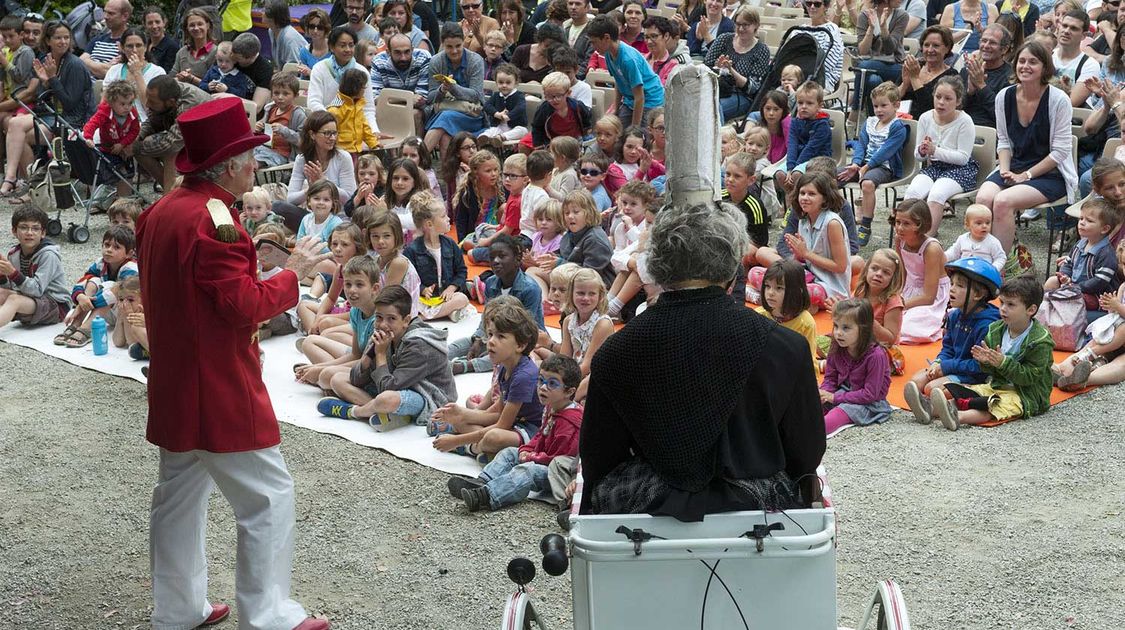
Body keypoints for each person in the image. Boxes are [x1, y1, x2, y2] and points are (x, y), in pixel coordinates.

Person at [579, 201, 825, 521]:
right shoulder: (786, 346)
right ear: (731, 271)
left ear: (658, 267)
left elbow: (599, 457)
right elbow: (806, 452)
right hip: (758, 504)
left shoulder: (615, 351)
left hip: (646, 507)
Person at [447, 353, 584, 511]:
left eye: (552, 383)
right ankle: (482, 482)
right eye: (541, 381)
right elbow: (540, 434)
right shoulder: (552, 406)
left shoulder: (570, 422)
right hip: (544, 458)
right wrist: (527, 449)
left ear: (569, 392)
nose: (543, 387)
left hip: (559, 474)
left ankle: (487, 496)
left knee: (528, 471)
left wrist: (532, 457)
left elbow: (559, 460)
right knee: (510, 453)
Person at [975, 41, 1078, 249]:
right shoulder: (1004, 96)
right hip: (1014, 166)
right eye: (1021, 61)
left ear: (1045, 68)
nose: (1025, 66)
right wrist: (1004, 171)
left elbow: (1060, 152)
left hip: (1050, 173)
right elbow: (1003, 141)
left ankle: (999, 267)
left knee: (1003, 202)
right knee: (983, 199)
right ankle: (982, 258)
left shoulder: (1059, 100)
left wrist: (1026, 176)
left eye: (1033, 62)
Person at [318, 283, 459, 426]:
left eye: (391, 319)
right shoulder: (382, 333)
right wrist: (368, 356)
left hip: (428, 396)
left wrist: (379, 355)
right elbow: (356, 379)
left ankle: (354, 412)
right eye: (379, 317)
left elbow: (388, 388)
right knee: (336, 379)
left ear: (406, 320)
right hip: (393, 384)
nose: (383, 324)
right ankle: (386, 414)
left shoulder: (418, 344)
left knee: (386, 399)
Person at [928, 276, 1053, 430]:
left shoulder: (1040, 340)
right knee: (972, 393)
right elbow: (990, 372)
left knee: (992, 405)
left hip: (1026, 394)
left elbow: (1030, 377)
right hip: (997, 385)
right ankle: (930, 410)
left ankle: (957, 417)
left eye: (1011, 304)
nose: (1003, 308)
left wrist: (1003, 363)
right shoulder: (996, 330)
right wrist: (985, 363)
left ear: (1031, 310)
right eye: (1001, 302)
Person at [433, 302, 545, 460]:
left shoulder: (524, 376)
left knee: (494, 437)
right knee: (462, 422)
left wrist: (456, 441)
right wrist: (462, 414)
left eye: (500, 336)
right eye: (491, 334)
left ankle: (470, 449)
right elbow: (496, 413)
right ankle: (488, 453)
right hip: (512, 425)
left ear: (520, 345)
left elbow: (502, 425)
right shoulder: (505, 367)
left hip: (530, 431)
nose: (491, 341)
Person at [1, 21, 95, 199]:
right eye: (58, 37)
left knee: (18, 130)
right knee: (14, 125)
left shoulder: (74, 64)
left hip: (74, 119)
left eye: (66, 37)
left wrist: (51, 78)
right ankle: (29, 183)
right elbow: (43, 99)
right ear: (48, 40)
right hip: (53, 114)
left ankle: (31, 186)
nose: (63, 41)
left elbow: (70, 104)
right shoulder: (49, 59)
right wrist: (45, 82)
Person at [902, 256, 1001, 421]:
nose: (952, 289)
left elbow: (980, 366)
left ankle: (931, 406)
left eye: (960, 285)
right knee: (916, 381)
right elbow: (947, 347)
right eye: (952, 284)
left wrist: (946, 367)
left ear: (979, 294)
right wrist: (938, 363)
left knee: (932, 388)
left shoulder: (987, 326)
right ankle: (929, 405)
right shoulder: (954, 315)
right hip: (952, 367)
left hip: (973, 376)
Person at [904, 75, 979, 232]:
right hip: (936, 168)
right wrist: (922, 150)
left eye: (948, 98)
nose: (941, 102)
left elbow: (963, 158)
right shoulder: (925, 118)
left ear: (958, 101)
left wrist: (935, 150)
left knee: (937, 194)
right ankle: (908, 234)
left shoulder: (965, 121)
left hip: (960, 170)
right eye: (938, 97)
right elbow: (918, 156)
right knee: (913, 192)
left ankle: (928, 238)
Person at [838, 82, 909, 247]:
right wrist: (856, 164)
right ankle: (835, 219)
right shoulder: (869, 122)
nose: (879, 110)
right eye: (876, 106)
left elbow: (885, 151)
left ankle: (865, 225)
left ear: (896, 105)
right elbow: (861, 145)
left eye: (884, 105)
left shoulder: (899, 127)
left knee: (868, 184)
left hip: (885, 167)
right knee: (830, 177)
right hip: (863, 164)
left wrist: (866, 167)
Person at [820, 298, 894, 436]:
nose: (838, 333)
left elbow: (870, 395)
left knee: (829, 421)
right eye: (836, 326)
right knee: (807, 407)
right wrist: (824, 394)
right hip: (841, 393)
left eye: (846, 328)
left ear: (863, 329)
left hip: (867, 404)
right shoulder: (836, 345)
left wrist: (834, 397)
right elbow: (830, 378)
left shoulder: (876, 355)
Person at [130, 74, 210, 193]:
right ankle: (173, 193)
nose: (147, 104)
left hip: (209, 144)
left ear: (171, 102)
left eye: (152, 101)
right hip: (188, 140)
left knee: (171, 153)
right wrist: (136, 138)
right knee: (143, 146)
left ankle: (170, 196)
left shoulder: (188, 104)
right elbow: (152, 121)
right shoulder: (167, 94)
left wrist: (134, 147)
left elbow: (171, 144)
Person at [1045, 198, 1120, 321]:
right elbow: (1068, 263)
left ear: (1104, 229)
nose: (1082, 223)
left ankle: (1059, 311)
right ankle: (1045, 308)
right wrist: (1064, 276)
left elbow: (1099, 282)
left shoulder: (1106, 253)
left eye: (1089, 220)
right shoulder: (1080, 243)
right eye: (1081, 219)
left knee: (1077, 299)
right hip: (1074, 286)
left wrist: (1076, 287)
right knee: (1052, 281)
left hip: (1096, 295)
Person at [585, 14, 664, 127]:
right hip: (630, 100)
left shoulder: (628, 59)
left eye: (594, 42)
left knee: (636, 137)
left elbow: (640, 97)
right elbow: (619, 81)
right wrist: (615, 109)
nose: (593, 46)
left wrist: (635, 128)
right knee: (616, 131)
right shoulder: (608, 53)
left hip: (649, 101)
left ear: (607, 38)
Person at [404, 192, 473, 321]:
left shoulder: (451, 245)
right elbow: (409, 280)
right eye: (443, 216)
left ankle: (426, 317)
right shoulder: (411, 250)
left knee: (461, 298)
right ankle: (446, 312)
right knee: (407, 303)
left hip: (446, 297)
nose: (448, 219)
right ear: (429, 224)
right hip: (425, 300)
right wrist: (423, 289)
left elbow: (462, 271)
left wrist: (451, 288)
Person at [0, 207, 70, 330]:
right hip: (31, 299)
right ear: (14, 231)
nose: (29, 232)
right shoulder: (13, 254)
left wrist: (12, 273)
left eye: (35, 228)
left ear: (43, 233)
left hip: (56, 305)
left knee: (14, 299)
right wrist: (2, 276)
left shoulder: (49, 255)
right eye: (23, 227)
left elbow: (37, 290)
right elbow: (12, 287)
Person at [894, 199, 951, 344]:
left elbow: (929, 296)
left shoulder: (931, 248)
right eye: (898, 222)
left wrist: (899, 305)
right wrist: (895, 295)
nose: (900, 228)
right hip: (909, 289)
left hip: (933, 296)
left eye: (906, 223)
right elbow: (903, 273)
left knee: (909, 327)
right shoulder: (899, 240)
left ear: (920, 225)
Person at [424, 23, 486, 153]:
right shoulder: (436, 61)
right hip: (445, 111)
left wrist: (453, 88)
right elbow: (430, 97)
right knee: (445, 135)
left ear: (463, 42)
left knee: (445, 119)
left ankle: (418, 161)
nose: (454, 51)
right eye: (449, 47)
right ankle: (448, 172)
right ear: (442, 44)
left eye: (458, 46)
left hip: (471, 114)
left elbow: (476, 95)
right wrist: (441, 90)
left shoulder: (475, 60)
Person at [283, 110, 357, 218]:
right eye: (327, 133)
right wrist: (311, 189)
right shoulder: (302, 160)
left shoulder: (343, 158)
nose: (332, 138)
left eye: (334, 133)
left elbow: (349, 199)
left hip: (339, 219)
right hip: (312, 217)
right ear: (312, 134)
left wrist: (324, 181)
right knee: (278, 207)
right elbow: (290, 200)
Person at [704, 6, 770, 122]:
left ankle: (719, 138)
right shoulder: (724, 39)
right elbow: (705, 67)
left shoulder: (762, 50)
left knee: (714, 107)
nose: (740, 28)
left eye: (746, 25)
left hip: (741, 96)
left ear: (756, 25)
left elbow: (753, 88)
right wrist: (718, 68)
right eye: (738, 24)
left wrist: (731, 71)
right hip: (716, 89)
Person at [308, 26, 378, 133]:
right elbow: (314, 102)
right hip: (326, 127)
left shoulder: (362, 72)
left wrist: (374, 131)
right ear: (331, 47)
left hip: (354, 129)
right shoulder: (319, 68)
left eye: (351, 45)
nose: (348, 50)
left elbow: (368, 108)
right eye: (342, 45)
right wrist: (331, 123)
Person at [754, 259, 819, 369]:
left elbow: (809, 362)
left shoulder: (806, 323)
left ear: (797, 291)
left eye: (779, 288)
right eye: (767, 286)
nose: (770, 293)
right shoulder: (758, 316)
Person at [850, 0, 908, 124]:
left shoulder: (901, 16)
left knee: (863, 67)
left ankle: (855, 110)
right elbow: (862, 51)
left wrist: (883, 28)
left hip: (894, 66)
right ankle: (875, 123)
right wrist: (871, 29)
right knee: (873, 81)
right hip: (869, 67)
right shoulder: (865, 16)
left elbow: (890, 49)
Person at [82, 80, 140, 198]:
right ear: (112, 102)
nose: (127, 107)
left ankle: (125, 200)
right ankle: (99, 199)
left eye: (130, 103)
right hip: (107, 148)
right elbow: (91, 125)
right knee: (106, 173)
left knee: (128, 173)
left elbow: (135, 130)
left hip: (124, 147)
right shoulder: (105, 112)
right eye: (123, 104)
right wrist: (88, 137)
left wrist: (122, 144)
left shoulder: (132, 113)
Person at [370, 33, 431, 134]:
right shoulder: (378, 61)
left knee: (415, 114)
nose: (403, 58)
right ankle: (388, 148)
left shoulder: (423, 58)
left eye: (407, 52)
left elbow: (422, 98)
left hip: (417, 109)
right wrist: (408, 99)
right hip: (389, 108)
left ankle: (417, 148)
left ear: (412, 49)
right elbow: (375, 96)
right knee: (375, 112)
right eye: (397, 53)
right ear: (388, 52)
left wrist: (390, 98)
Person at [104, 28, 167, 124]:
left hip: (145, 123)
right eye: (129, 46)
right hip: (115, 123)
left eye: (138, 46)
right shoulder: (114, 70)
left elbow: (151, 108)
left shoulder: (157, 72)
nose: (134, 50)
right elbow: (104, 104)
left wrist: (137, 73)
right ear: (122, 48)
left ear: (145, 47)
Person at [961, 24, 1014, 128]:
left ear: (1004, 49)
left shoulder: (1012, 76)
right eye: (984, 41)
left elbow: (1003, 116)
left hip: (991, 132)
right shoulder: (967, 70)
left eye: (993, 43)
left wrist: (981, 86)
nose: (986, 46)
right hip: (963, 128)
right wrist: (969, 93)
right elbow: (954, 108)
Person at [901, 26, 959, 120]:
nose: (930, 50)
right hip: (900, 119)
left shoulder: (951, 75)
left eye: (936, 46)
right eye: (926, 45)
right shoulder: (914, 65)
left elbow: (931, 107)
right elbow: (891, 99)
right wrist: (905, 85)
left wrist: (915, 79)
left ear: (947, 48)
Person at [254, 71, 307, 167]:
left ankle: (253, 167)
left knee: (258, 161)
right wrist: (259, 126)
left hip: (282, 155)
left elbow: (303, 141)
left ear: (295, 95)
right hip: (265, 148)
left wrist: (284, 130)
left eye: (285, 94)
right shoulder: (270, 108)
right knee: (245, 153)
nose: (280, 97)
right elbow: (265, 129)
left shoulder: (298, 114)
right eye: (276, 93)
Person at [329, 67, 383, 154]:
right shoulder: (336, 109)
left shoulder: (358, 105)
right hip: (340, 151)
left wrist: (373, 143)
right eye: (363, 87)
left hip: (355, 150)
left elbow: (365, 127)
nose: (365, 90)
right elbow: (330, 133)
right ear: (355, 88)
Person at [1053, 9, 1101, 108]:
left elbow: (1070, 103)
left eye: (1073, 28)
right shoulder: (1046, 56)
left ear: (1084, 35)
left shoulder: (1090, 64)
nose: (1066, 31)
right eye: (1064, 26)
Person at [945, 204, 1008, 270]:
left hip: (984, 274)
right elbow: (954, 252)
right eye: (979, 223)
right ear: (967, 225)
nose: (984, 226)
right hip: (965, 270)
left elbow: (1000, 257)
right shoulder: (962, 239)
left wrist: (994, 268)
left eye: (987, 222)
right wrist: (943, 257)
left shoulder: (992, 242)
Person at [80, 0, 132, 80]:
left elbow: (114, 74)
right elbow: (80, 61)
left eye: (111, 13)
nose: (105, 17)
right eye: (105, 12)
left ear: (124, 16)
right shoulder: (98, 39)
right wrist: (104, 67)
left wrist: (89, 63)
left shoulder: (130, 42)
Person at [479, 62, 528, 142]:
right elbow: (487, 105)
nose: (504, 85)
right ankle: (483, 137)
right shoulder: (496, 95)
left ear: (515, 82)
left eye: (508, 82)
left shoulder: (519, 96)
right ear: (496, 82)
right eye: (501, 82)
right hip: (499, 126)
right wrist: (496, 114)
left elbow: (520, 108)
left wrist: (509, 116)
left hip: (515, 126)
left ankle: (502, 137)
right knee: (492, 130)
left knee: (523, 131)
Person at [806, 0, 846, 92]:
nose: (812, 7)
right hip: (798, 78)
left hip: (822, 81)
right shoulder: (799, 30)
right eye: (808, 3)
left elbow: (827, 65)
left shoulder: (832, 30)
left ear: (826, 6)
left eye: (817, 4)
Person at [172, 7, 218, 85]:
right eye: (192, 25)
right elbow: (172, 78)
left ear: (207, 25)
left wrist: (191, 78)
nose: (196, 28)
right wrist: (179, 77)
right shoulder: (182, 52)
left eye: (200, 24)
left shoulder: (216, 52)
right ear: (187, 28)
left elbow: (215, 85)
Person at [265, 0, 308, 70]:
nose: (261, 13)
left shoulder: (290, 38)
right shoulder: (271, 31)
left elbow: (294, 69)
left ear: (273, 18)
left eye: (264, 11)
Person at [643, 16, 679, 86]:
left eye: (654, 36)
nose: (649, 41)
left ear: (666, 36)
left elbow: (661, 91)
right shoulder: (640, 59)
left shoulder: (673, 66)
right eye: (646, 37)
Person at [143, 6, 180, 73]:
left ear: (164, 22)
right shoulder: (143, 45)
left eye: (157, 22)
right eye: (150, 23)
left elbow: (167, 74)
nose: (154, 26)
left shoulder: (172, 47)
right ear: (145, 25)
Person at [298, 8, 333, 76]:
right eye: (312, 26)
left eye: (320, 27)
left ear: (326, 29)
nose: (315, 31)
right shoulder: (304, 51)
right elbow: (303, 80)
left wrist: (311, 73)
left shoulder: (334, 50)